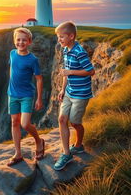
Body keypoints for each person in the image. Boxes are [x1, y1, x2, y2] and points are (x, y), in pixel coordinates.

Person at [54, 21, 95, 171]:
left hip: (81, 94)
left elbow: (90, 71)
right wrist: (62, 89)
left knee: (75, 123)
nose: (59, 40)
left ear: (71, 36)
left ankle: (78, 145)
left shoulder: (80, 52)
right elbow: (66, 71)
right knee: (62, 119)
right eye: (58, 37)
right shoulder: (65, 50)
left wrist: (70, 72)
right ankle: (66, 153)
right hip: (69, 92)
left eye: (61, 37)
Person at [7, 27, 44, 166]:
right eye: (18, 40)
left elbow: (39, 79)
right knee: (14, 122)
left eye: (24, 40)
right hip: (12, 95)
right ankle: (18, 153)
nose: (20, 42)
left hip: (27, 95)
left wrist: (39, 98)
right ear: (14, 41)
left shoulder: (32, 59)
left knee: (25, 124)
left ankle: (39, 141)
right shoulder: (12, 54)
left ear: (29, 42)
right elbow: (13, 70)